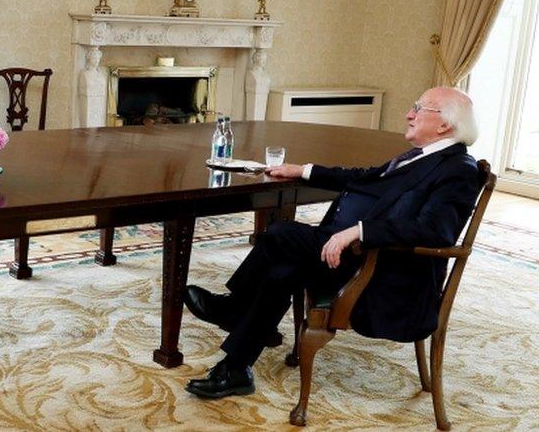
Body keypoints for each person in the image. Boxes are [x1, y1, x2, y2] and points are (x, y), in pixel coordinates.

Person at [184, 86, 481, 400]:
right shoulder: (422, 157)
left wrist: (358, 231)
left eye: (419, 108)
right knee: (280, 273)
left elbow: (436, 231)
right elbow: (365, 177)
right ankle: (235, 369)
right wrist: (304, 170)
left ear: (444, 125)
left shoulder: (458, 170)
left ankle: (233, 309)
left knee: (279, 233)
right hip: (352, 258)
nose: (409, 114)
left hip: (380, 273)